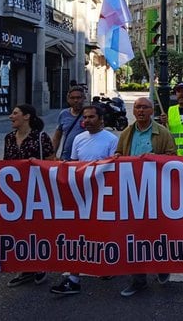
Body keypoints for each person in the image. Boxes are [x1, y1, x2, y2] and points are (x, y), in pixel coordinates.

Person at [50, 105, 118, 296]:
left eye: (91, 117)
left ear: (101, 119)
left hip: (102, 195)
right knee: (77, 236)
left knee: (102, 234)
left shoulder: (112, 140)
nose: (86, 120)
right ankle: (73, 279)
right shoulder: (79, 139)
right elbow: (73, 166)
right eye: (85, 117)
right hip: (80, 196)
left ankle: (106, 266)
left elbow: (113, 168)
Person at [117, 97, 177, 297]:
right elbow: (118, 154)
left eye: (144, 107)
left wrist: (153, 161)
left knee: (158, 233)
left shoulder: (163, 133)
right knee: (134, 236)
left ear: (152, 111)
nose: (140, 110)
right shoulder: (127, 133)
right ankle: (138, 279)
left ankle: (162, 265)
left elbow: (172, 158)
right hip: (132, 193)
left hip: (155, 191)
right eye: (137, 107)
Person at [4, 104, 52, 288]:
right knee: (19, 230)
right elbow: (5, 164)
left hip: (37, 193)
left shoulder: (40, 138)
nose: (10, 116)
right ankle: (24, 268)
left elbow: (51, 163)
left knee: (37, 230)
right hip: (16, 195)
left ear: (27, 117)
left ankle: (40, 265)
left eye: (15, 113)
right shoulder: (8, 138)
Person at [52, 85, 86, 161]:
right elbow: (57, 137)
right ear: (68, 99)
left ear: (84, 98)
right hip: (66, 158)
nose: (76, 100)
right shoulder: (63, 114)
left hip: (84, 158)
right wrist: (53, 155)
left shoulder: (89, 114)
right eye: (72, 98)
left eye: (78, 98)